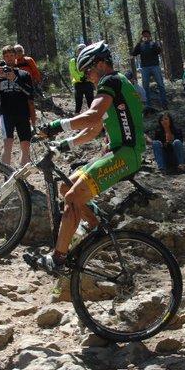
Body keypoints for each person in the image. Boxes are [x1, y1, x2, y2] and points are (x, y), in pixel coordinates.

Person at [33, 41, 145, 272]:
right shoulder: (117, 86)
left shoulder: (110, 81)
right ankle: (96, 231)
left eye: (88, 70)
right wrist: (64, 145)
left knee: (73, 197)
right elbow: (94, 130)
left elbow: (93, 116)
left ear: (102, 64)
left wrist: (57, 124)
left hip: (124, 154)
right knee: (67, 187)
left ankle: (58, 259)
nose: (87, 76)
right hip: (121, 152)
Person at [0, 59, 36, 166]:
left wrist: (15, 79)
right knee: (8, 145)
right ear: (4, 58)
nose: (9, 58)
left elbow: (30, 93)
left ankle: (23, 179)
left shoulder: (24, 74)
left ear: (15, 57)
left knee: (25, 146)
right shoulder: (0, 75)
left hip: (23, 114)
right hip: (6, 114)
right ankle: (6, 177)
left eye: (11, 55)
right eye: (6, 56)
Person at [131, 29, 168, 109]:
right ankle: (148, 105)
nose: (145, 36)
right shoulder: (140, 45)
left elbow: (159, 51)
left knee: (160, 84)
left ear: (149, 36)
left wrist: (156, 44)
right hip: (144, 68)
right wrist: (138, 44)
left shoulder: (153, 43)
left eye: (147, 34)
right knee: (145, 87)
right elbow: (134, 53)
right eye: (144, 35)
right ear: (142, 36)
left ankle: (164, 103)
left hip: (155, 66)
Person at [70, 44, 95, 114]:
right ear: (77, 51)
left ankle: (94, 117)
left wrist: (89, 77)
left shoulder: (89, 59)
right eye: (79, 49)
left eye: (82, 49)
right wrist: (80, 78)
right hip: (78, 83)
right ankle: (76, 119)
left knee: (91, 102)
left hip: (88, 82)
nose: (80, 51)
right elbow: (73, 71)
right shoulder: (73, 61)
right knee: (78, 102)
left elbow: (92, 69)